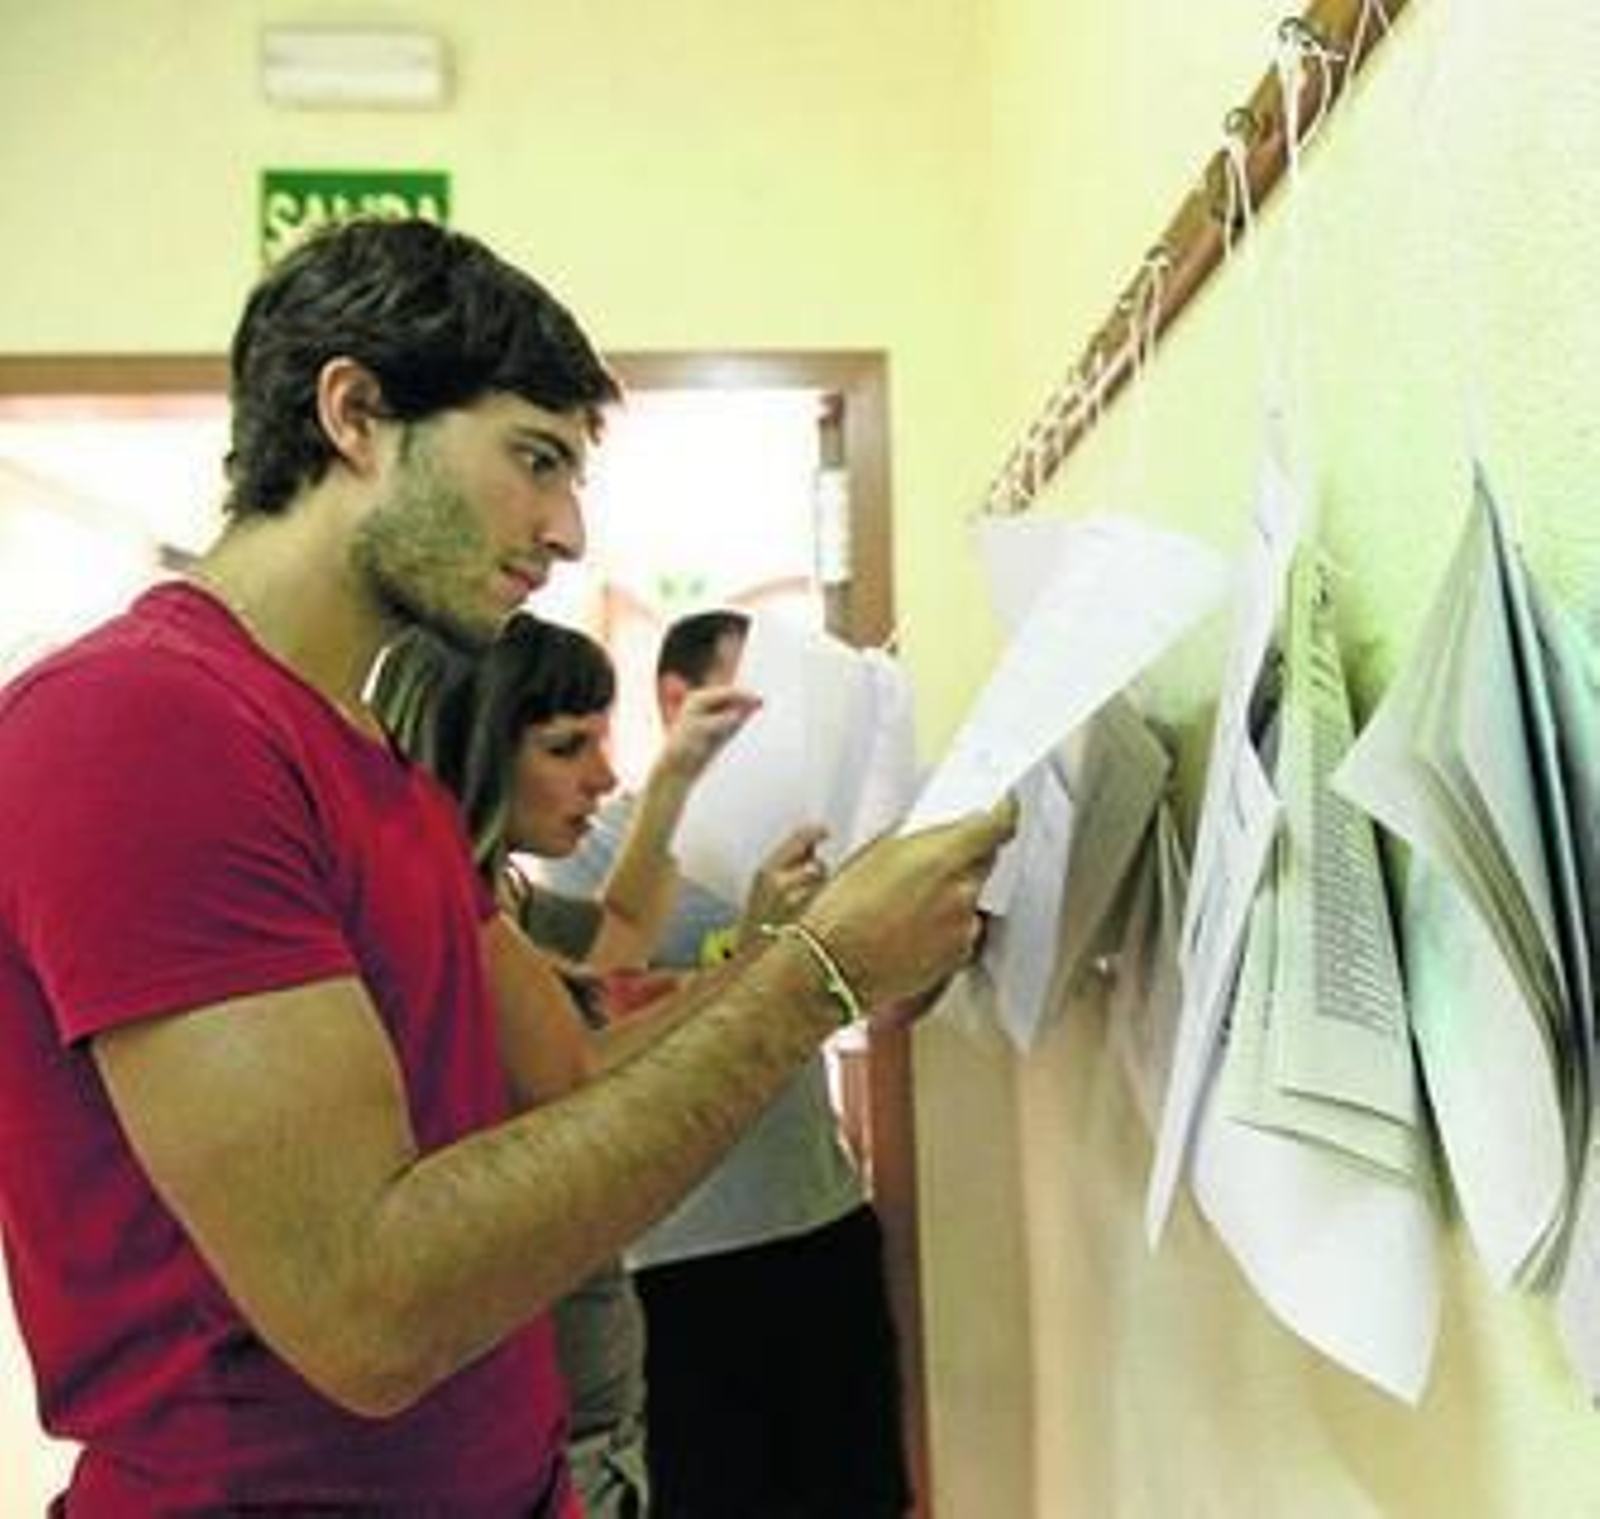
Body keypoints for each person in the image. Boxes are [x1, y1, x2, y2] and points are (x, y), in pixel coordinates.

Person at [0, 216, 1014, 1514]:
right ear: (356, 414)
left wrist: (792, 950)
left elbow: (569, 1078)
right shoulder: (143, 725)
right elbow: (369, 1307)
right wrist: (818, 976)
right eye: (534, 460)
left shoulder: (375, 756)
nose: (570, 528)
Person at [373, 614, 817, 1518]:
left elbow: (621, 934)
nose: (603, 776)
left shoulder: (507, 893)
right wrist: (767, 969)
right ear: (472, 748)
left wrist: (678, 773)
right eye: (566, 745)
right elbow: (577, 1072)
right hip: (539, 1424)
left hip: (580, 1405)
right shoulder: (445, 914)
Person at [542, 609, 912, 1519]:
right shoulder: (585, 848)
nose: (592, 770)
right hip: (674, 1263)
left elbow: (880, 1004)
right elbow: (602, 1027)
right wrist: (754, 954)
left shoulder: (813, 833)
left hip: (820, 1221)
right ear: (682, 699)